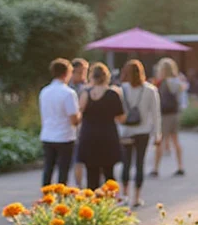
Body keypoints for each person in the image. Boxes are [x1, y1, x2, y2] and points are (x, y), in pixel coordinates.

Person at [120, 59, 161, 207]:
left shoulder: (122, 89)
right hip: (143, 131)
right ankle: (136, 197)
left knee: (126, 163)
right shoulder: (150, 90)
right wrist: (157, 134)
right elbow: (155, 114)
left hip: (126, 131)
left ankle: (124, 195)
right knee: (139, 163)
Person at [77, 62, 125, 189]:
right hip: (108, 136)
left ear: (92, 76)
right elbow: (121, 118)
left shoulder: (85, 93)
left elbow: (79, 113)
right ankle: (109, 204)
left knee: (91, 174)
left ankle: (92, 203)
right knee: (109, 173)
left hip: (88, 136)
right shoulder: (113, 94)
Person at [39, 58, 80, 186]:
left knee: (48, 169)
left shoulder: (44, 91)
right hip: (65, 136)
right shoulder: (69, 93)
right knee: (63, 171)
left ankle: (45, 198)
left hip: (47, 135)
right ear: (66, 73)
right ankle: (62, 199)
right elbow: (74, 119)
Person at [151, 57, 185, 177]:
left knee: (159, 141)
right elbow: (181, 99)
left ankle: (155, 168)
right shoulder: (178, 82)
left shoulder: (161, 82)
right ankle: (180, 166)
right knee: (176, 141)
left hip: (164, 115)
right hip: (175, 113)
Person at [69, 58, 89, 185]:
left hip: (84, 128)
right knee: (78, 160)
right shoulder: (71, 89)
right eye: (81, 72)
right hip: (75, 128)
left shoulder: (86, 87)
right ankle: (78, 186)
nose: (83, 75)